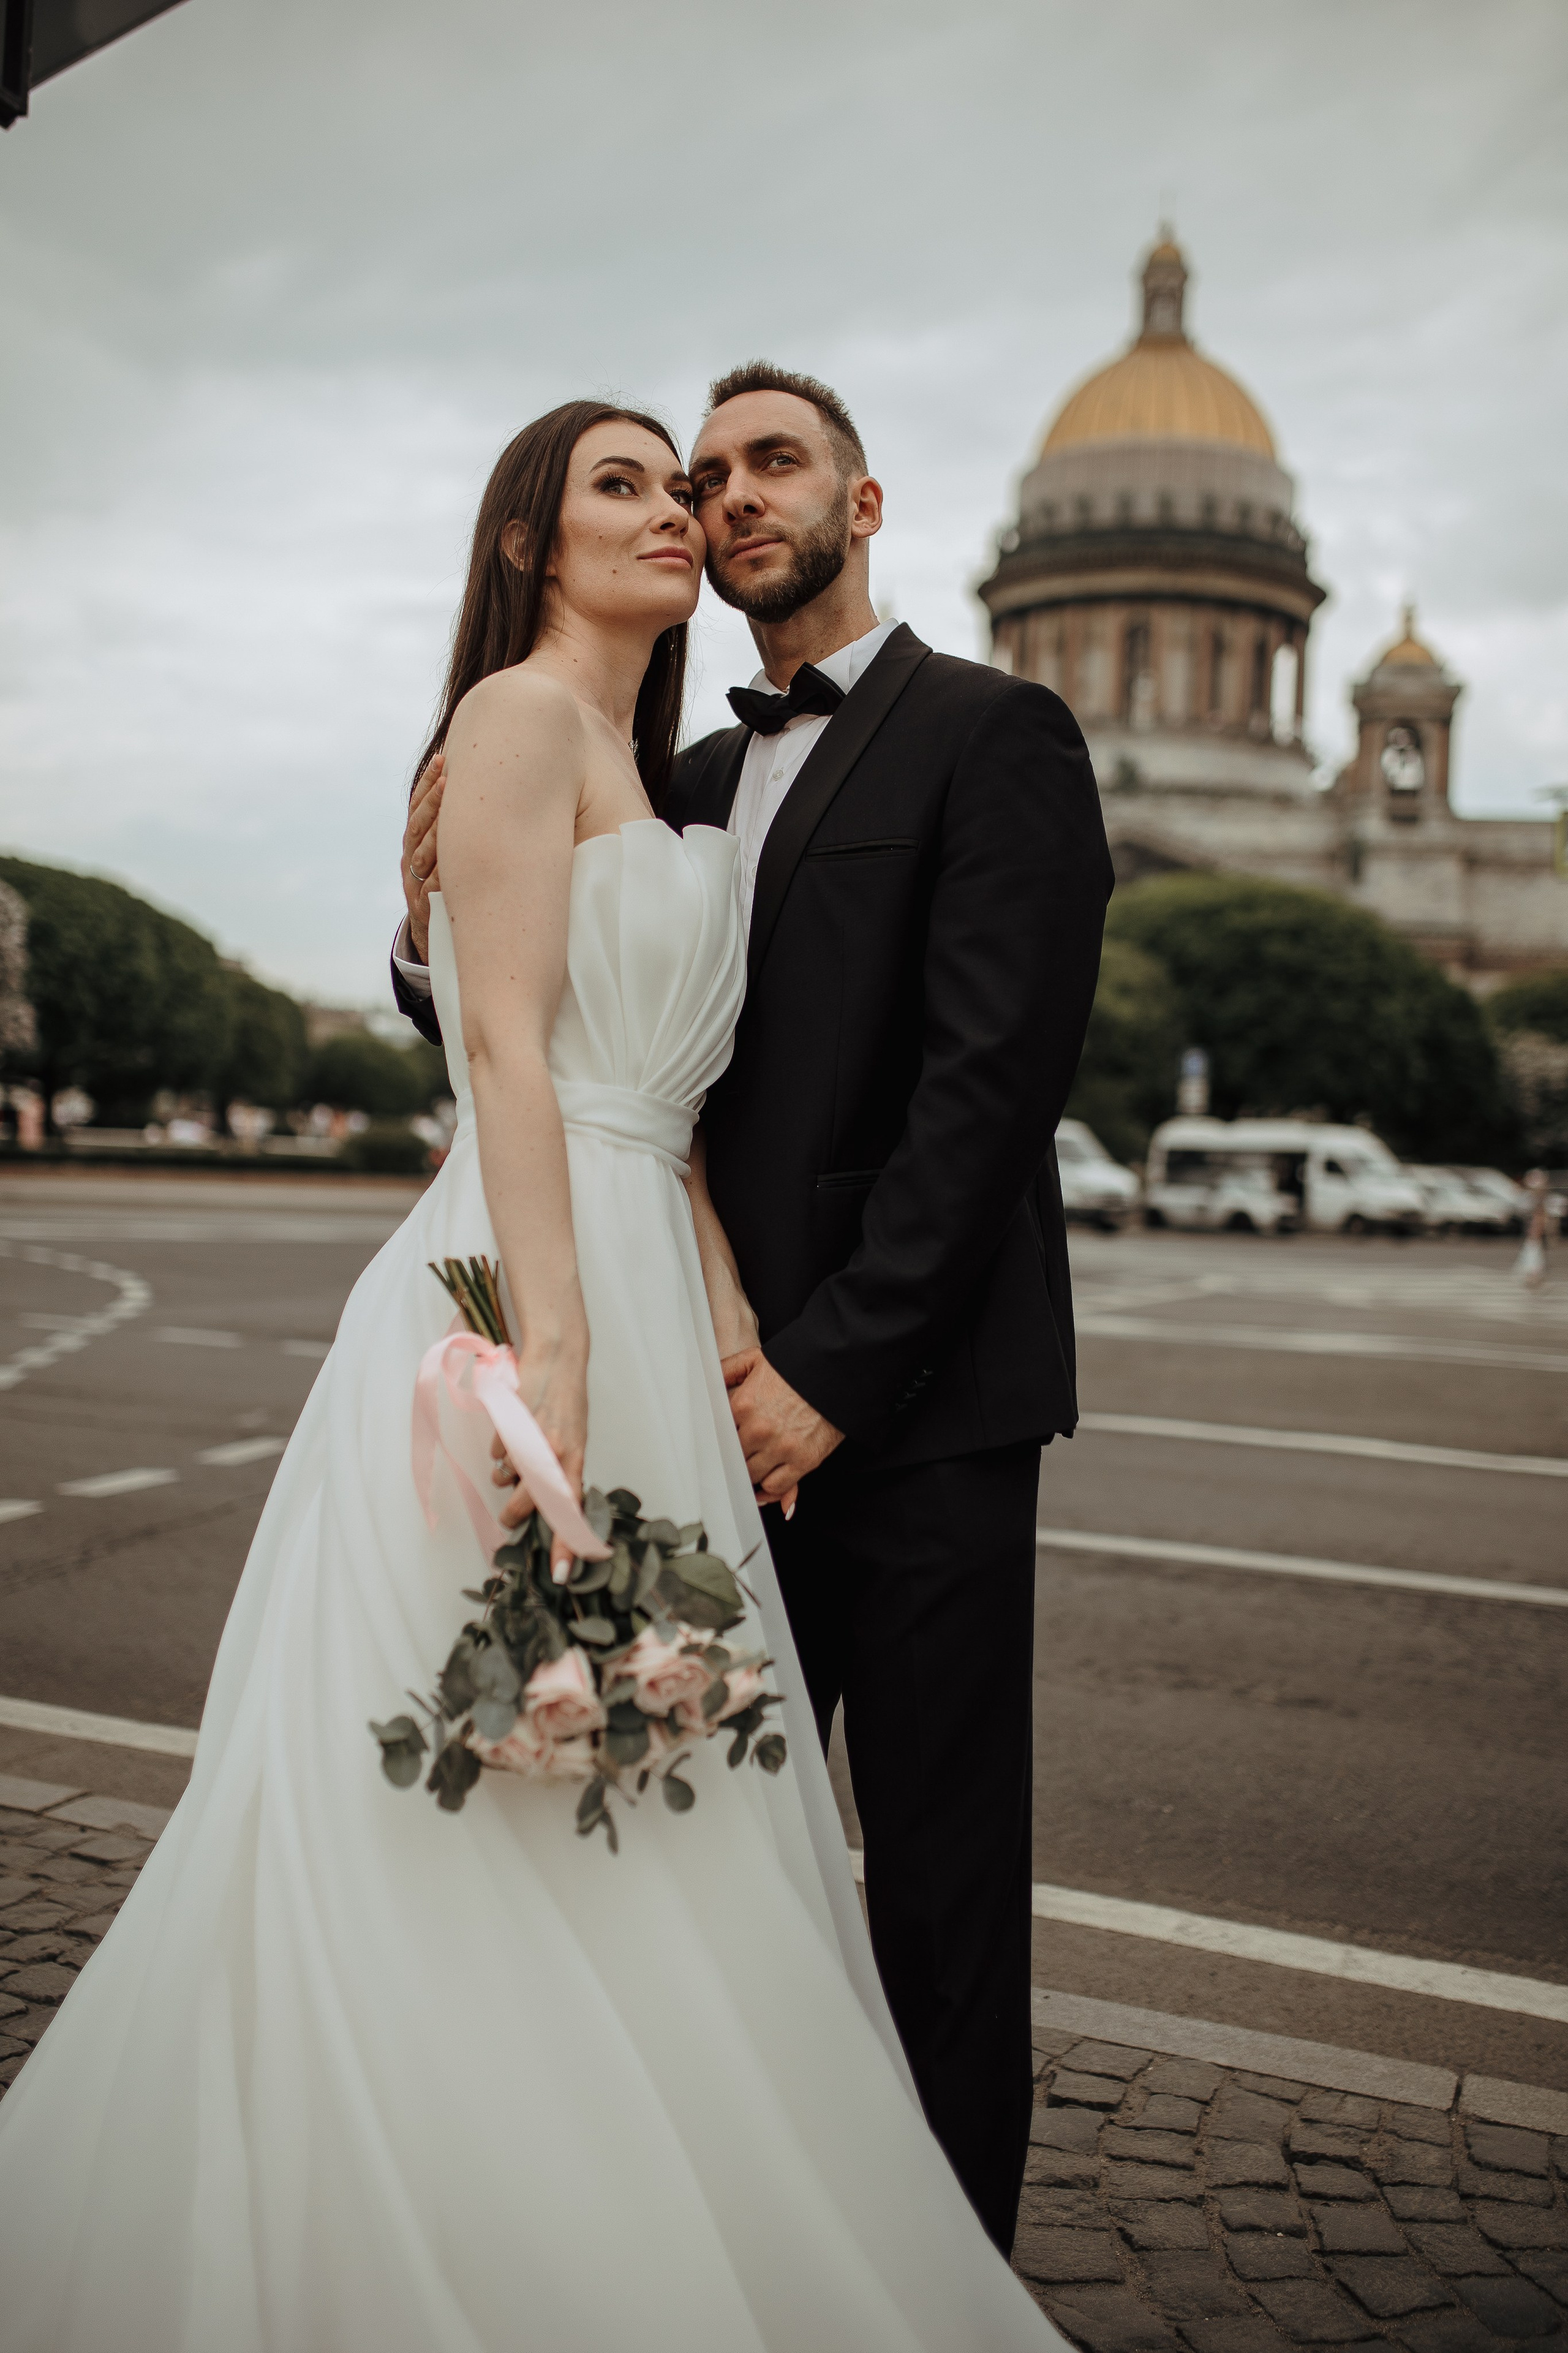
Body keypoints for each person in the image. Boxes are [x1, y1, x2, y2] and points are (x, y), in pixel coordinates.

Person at [0, 400, 1063, 2351]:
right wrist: (552, 1349)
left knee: (733, 1822)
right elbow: (509, 1051)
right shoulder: (552, 734)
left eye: (720, 475)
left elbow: (825, 1101)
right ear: (525, 543)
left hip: (732, 1327)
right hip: (552, 1302)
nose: (695, 503)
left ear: (860, 501)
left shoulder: (790, 756)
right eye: (644, 479)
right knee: (524, 1786)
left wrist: (754, 1333)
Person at [393, 365, 1114, 2253]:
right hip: (694, 1399)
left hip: (915, 1406)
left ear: (864, 505)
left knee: (944, 1886)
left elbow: (987, 1098)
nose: (727, 500)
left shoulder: (999, 732)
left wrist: (829, 1377)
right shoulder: (676, 769)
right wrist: (429, 925)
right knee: (704, 1844)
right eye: (702, 475)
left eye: (771, 462)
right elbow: (562, 1022)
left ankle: (951, 2259)